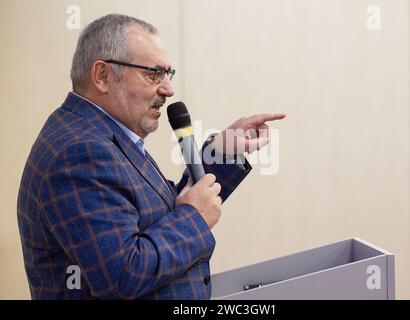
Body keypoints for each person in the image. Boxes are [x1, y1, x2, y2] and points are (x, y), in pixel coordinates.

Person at [17, 14, 285, 300]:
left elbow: (164, 211)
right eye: (153, 74)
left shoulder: (103, 136)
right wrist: (193, 217)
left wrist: (222, 153)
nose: (168, 89)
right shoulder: (78, 152)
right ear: (102, 76)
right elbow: (122, 275)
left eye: (167, 74)